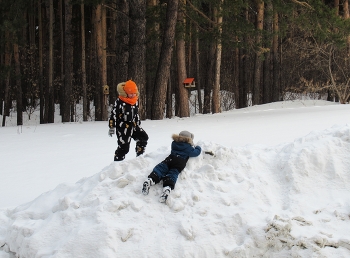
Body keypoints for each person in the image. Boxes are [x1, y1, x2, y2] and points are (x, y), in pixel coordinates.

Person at [142, 130, 201, 203]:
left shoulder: (174, 143)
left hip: (170, 158)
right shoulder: (189, 148)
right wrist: (197, 147)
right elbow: (196, 153)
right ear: (189, 140)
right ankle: (167, 188)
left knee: (161, 168)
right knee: (173, 173)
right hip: (180, 162)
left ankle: (150, 179)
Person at [108, 80, 148, 161]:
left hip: (134, 126)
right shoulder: (119, 102)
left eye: (134, 93)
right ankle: (117, 163)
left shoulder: (135, 101)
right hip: (123, 128)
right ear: (125, 92)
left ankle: (139, 157)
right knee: (124, 147)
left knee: (143, 137)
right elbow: (113, 115)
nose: (133, 95)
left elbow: (136, 114)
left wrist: (138, 124)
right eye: (131, 93)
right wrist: (111, 127)